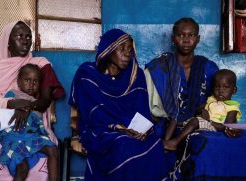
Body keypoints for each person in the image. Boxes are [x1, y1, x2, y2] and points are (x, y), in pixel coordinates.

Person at [0, 21, 64, 181]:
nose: (25, 40)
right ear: (8, 42)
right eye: (19, 36)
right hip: (1, 124)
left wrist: (26, 108)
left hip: (32, 124)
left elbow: (44, 101)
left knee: (50, 149)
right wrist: (10, 105)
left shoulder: (40, 65)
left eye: (28, 36)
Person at [69, 28, 169, 181]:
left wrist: (141, 131)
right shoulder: (87, 74)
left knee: (155, 145)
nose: (127, 53)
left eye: (130, 49)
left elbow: (142, 112)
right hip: (100, 129)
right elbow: (92, 114)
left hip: (132, 129)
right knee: (123, 145)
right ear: (108, 50)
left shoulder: (136, 76)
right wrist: (120, 129)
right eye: (122, 48)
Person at [145, 17, 219, 141]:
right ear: (173, 39)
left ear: (198, 39)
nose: (186, 40)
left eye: (191, 35)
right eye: (180, 35)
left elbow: (220, 102)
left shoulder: (208, 68)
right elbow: (146, 105)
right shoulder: (159, 66)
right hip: (164, 128)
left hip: (198, 129)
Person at [0, 64, 59, 181]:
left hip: (31, 137)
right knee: (22, 167)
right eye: (27, 80)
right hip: (13, 137)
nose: (31, 85)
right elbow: (1, 114)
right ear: (19, 81)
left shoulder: (38, 103)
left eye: (35, 81)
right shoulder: (12, 94)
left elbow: (40, 125)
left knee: (53, 150)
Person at [163, 69, 242, 151]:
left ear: (234, 90)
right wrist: (202, 111)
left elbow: (227, 127)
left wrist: (208, 120)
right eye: (217, 87)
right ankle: (166, 141)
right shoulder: (211, 99)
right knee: (175, 117)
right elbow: (197, 111)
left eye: (225, 87)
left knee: (195, 121)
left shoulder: (232, 108)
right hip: (200, 121)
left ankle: (174, 143)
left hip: (213, 127)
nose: (221, 90)